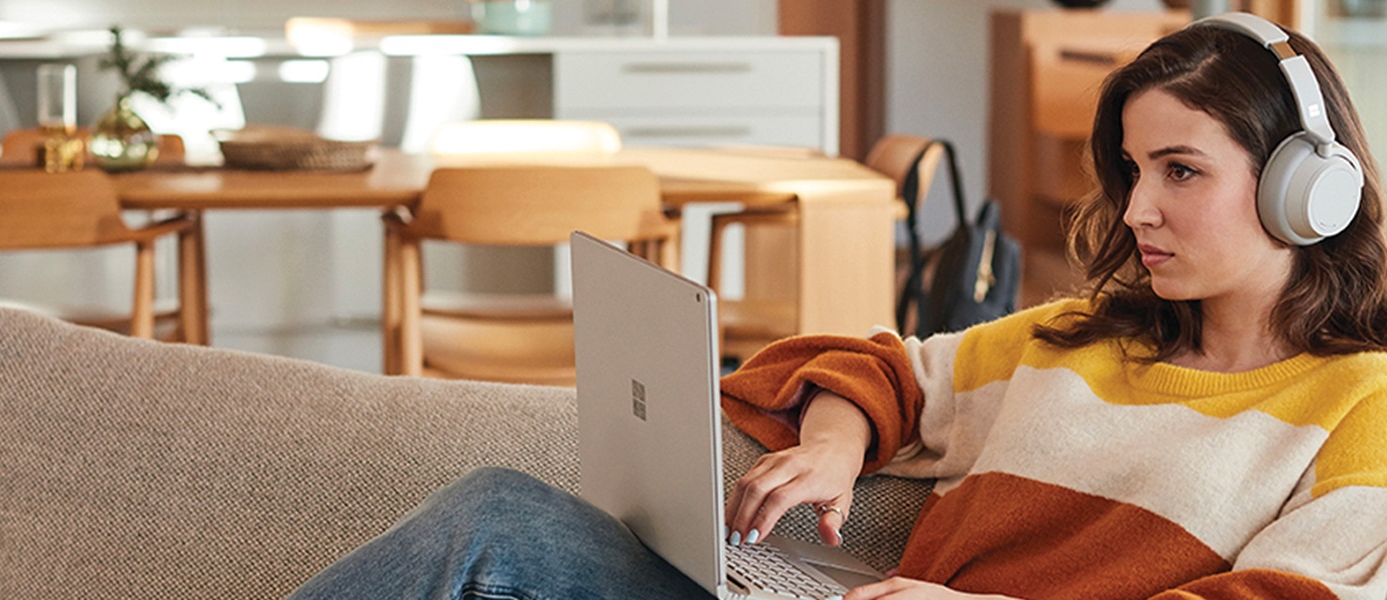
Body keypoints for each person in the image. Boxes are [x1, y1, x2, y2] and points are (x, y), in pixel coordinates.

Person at [287, 13, 1386, 600]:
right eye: (1131, 170)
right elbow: (878, 364)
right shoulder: (1072, 339)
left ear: (1306, 185)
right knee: (499, 516)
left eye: (1180, 172)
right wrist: (833, 445)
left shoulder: (1359, 402)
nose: (1137, 208)